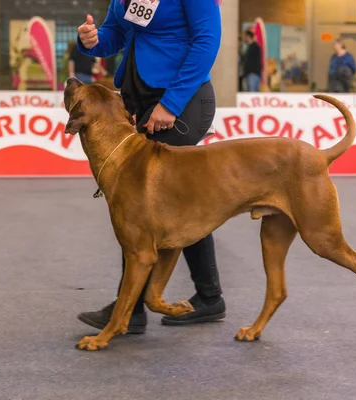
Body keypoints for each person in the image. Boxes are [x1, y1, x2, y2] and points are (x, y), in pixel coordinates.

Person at [75, 0, 226, 334]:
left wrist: (170, 104)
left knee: (143, 206)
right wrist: (92, 40)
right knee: (172, 203)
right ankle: (208, 296)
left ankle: (129, 311)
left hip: (182, 100)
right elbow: (116, 32)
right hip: (138, 96)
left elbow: (207, 42)